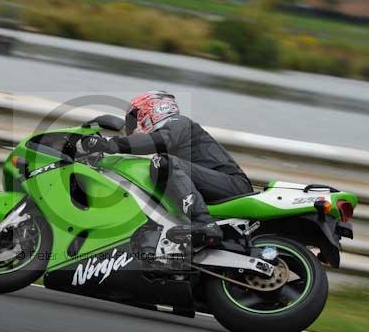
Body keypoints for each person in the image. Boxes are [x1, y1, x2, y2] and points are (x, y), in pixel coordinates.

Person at [82, 90, 253, 250]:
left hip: (231, 184)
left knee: (163, 163)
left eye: (134, 118)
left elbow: (159, 140)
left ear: (152, 110)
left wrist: (109, 144)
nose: (132, 125)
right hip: (213, 183)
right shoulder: (173, 130)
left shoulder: (178, 123)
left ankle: (204, 222)